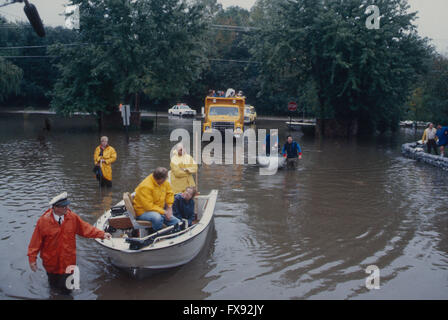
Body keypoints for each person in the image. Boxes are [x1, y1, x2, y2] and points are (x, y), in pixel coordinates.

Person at [27, 192, 111, 294]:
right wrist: (32, 259)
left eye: (67, 205)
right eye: (63, 206)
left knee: (67, 291)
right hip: (51, 264)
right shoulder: (43, 222)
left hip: (68, 263)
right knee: (53, 288)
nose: (67, 208)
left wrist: (102, 234)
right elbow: (35, 243)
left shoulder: (72, 217)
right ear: (55, 208)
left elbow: (86, 229)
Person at [133, 167, 180, 231]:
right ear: (159, 179)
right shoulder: (145, 186)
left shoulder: (164, 182)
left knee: (177, 222)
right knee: (157, 218)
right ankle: (156, 234)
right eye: (164, 179)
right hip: (143, 211)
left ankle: (174, 234)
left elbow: (169, 193)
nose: (165, 180)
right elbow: (148, 207)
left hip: (158, 209)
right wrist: (165, 212)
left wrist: (169, 207)